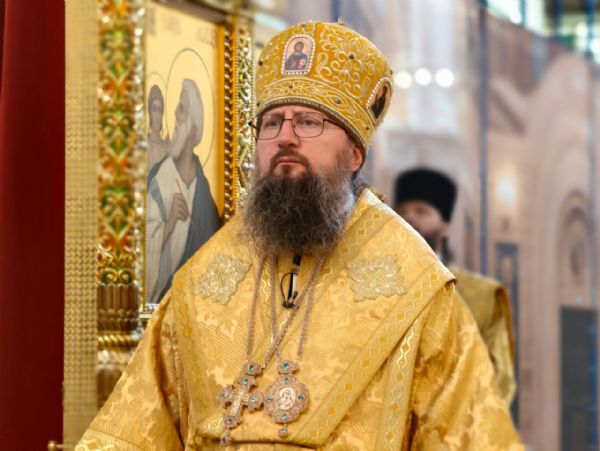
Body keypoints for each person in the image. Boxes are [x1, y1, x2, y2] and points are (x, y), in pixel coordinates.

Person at [77, 21, 522, 449]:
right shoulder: (201, 281)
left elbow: (471, 436)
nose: (285, 137)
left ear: (355, 153)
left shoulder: (417, 288)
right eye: (272, 122)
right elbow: (130, 432)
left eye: (309, 122)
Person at [394, 168, 517, 406]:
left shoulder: (480, 298)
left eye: (421, 211)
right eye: (403, 211)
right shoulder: (373, 287)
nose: (409, 218)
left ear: (445, 225)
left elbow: (497, 383)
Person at [146, 79, 219, 304]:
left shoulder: (204, 194)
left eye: (182, 109)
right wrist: (168, 225)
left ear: (194, 129)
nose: (175, 115)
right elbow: (140, 249)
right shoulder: (160, 177)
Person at [147, 84, 169, 172]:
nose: (157, 115)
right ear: (150, 113)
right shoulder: (144, 147)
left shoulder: (166, 148)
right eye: (154, 109)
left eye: (159, 110)